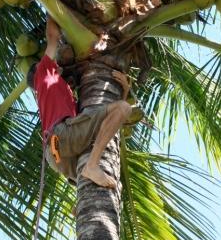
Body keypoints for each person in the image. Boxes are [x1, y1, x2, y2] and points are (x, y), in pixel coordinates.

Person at [26, 17, 144, 189]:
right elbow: (52, 37)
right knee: (123, 108)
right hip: (63, 137)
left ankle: (80, 201)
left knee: (96, 187)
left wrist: (124, 90)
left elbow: (97, 118)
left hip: (56, 155)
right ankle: (92, 165)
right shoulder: (44, 73)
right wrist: (50, 4)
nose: (55, 63)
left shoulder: (62, 94)